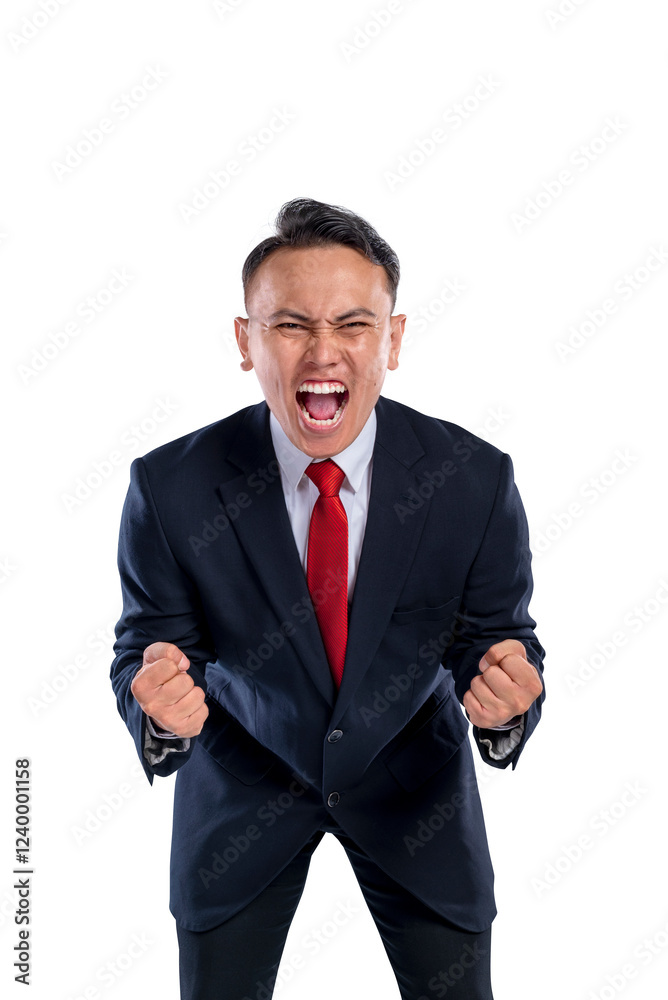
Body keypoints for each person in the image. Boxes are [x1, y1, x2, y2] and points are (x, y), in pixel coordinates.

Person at [110, 197, 545, 1000]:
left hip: (414, 791)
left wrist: (507, 700)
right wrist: (160, 712)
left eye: (353, 324)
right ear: (245, 340)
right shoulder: (171, 485)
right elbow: (151, 648)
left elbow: (496, 639)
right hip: (242, 791)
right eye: (289, 325)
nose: (322, 351)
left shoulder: (474, 479)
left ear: (393, 339)